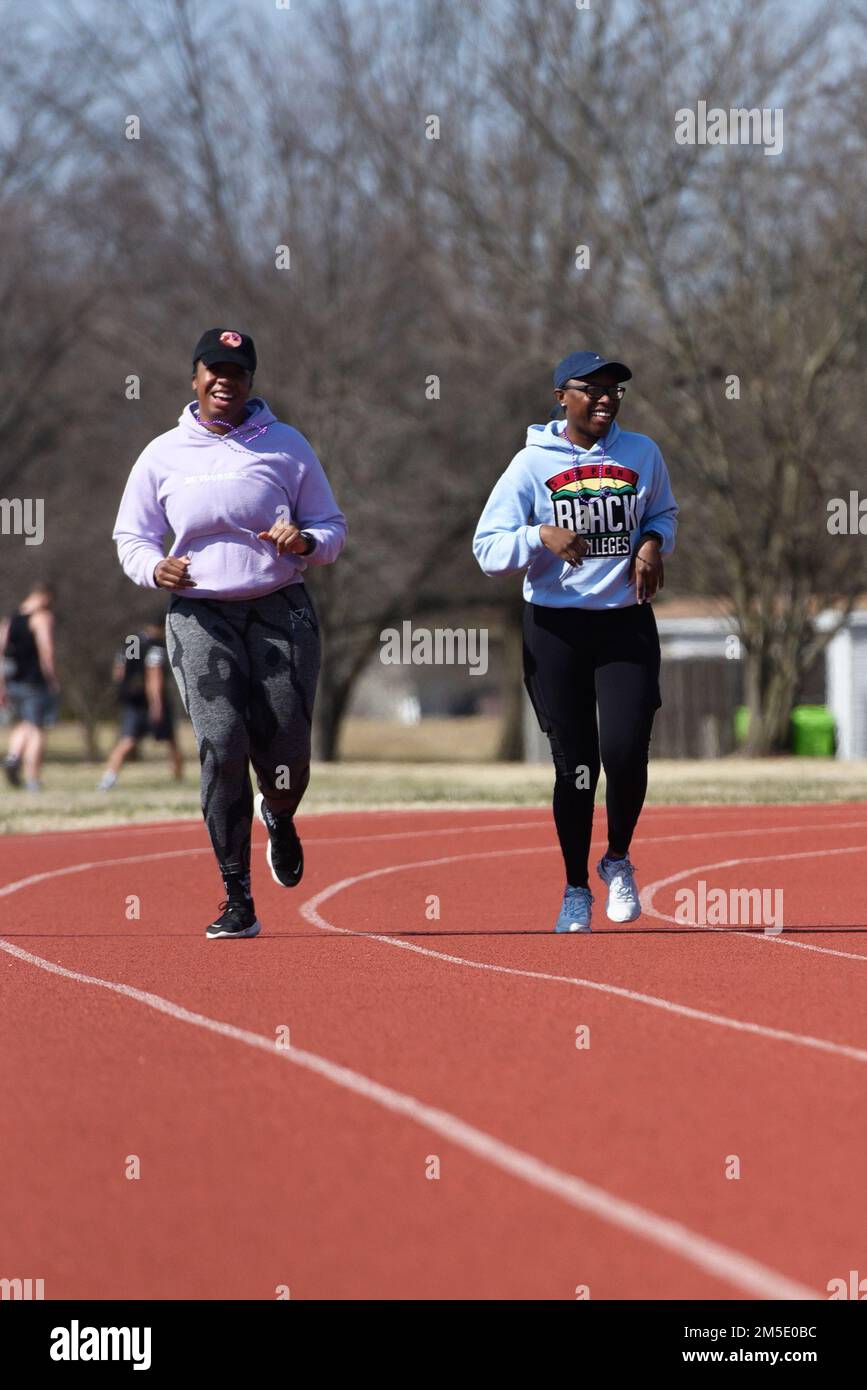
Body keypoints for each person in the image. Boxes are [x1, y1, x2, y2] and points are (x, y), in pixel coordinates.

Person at [112, 328, 347, 939]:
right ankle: (236, 896)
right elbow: (131, 536)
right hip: (200, 615)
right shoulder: (163, 454)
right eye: (213, 370)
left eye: (237, 373)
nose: (225, 381)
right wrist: (152, 566)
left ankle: (282, 812)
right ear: (194, 377)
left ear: (250, 382)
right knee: (221, 744)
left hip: (280, 609)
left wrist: (307, 541)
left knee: (287, 750)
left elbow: (331, 526)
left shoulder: (286, 444)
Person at [473, 351, 678, 933]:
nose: (606, 398)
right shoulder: (529, 464)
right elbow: (487, 550)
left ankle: (617, 858)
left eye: (615, 389)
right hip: (556, 628)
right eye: (592, 389)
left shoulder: (643, 454)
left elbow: (664, 512)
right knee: (577, 767)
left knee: (625, 749)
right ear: (562, 395)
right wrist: (538, 534)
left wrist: (651, 544)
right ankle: (574, 889)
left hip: (624, 623)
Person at [97, 618, 183, 790]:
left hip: (131, 699)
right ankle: (178, 778)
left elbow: (120, 670)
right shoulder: (157, 647)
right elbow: (154, 676)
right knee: (171, 741)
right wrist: (156, 703)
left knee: (127, 739)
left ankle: (108, 779)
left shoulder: (133, 640)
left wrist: (123, 690)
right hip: (149, 700)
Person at [0, 582, 60, 792]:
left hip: (13, 681)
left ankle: (13, 756)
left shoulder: (11, 620)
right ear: (44, 596)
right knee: (37, 729)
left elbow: (1, 651)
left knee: (24, 723)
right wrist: (52, 677)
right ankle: (33, 779)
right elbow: (46, 649)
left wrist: (2, 685)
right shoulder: (41, 617)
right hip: (34, 681)